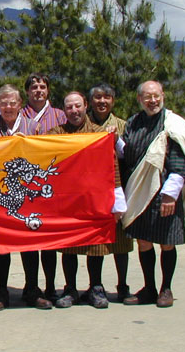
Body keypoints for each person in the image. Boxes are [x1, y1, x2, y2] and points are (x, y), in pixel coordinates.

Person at [121, 81, 185, 308]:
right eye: (147, 97)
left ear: (163, 96)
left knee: (167, 242)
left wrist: (170, 194)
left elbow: (181, 160)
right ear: (140, 99)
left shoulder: (174, 124)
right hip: (140, 190)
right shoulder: (133, 122)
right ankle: (149, 288)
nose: (153, 101)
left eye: (156, 96)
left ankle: (166, 288)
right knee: (144, 241)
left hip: (165, 191)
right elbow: (128, 155)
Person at [48, 92, 127, 309]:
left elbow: (113, 167)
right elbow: (41, 152)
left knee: (96, 246)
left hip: (95, 199)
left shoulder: (100, 134)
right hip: (68, 201)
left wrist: (117, 199)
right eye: (69, 107)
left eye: (77, 106)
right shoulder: (57, 133)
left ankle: (95, 287)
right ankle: (70, 288)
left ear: (85, 106)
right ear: (64, 111)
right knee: (69, 247)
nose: (74, 111)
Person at [0, 84, 38, 311]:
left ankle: (32, 289)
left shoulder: (34, 126)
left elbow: (43, 157)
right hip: (0, 194)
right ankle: (0, 290)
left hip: (26, 196)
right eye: (3, 103)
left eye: (13, 102)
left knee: (31, 243)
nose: (8, 107)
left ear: (20, 104)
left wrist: (27, 145)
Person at [19, 73, 66, 308]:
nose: (38, 90)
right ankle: (30, 286)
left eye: (42, 86)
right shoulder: (19, 116)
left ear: (48, 90)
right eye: (34, 87)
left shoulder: (60, 115)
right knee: (29, 239)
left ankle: (50, 286)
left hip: (51, 185)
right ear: (27, 92)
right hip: (26, 186)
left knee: (49, 240)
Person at [88, 83, 134, 302]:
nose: (102, 101)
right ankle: (95, 285)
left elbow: (130, 157)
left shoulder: (123, 126)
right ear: (90, 102)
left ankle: (123, 285)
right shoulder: (85, 127)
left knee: (120, 243)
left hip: (117, 189)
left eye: (106, 97)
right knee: (95, 244)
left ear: (113, 101)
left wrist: (115, 140)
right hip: (91, 194)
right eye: (97, 97)